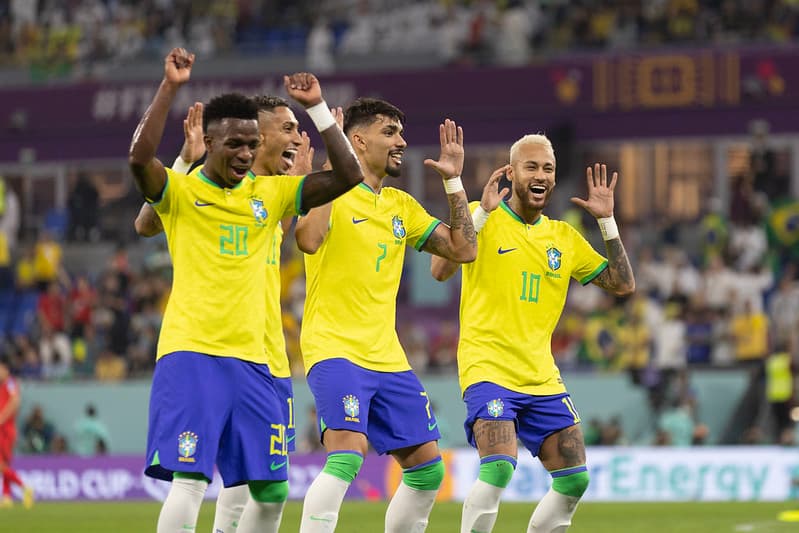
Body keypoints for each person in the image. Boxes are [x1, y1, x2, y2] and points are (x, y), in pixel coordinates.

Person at [128, 47, 363, 533]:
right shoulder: (183, 191)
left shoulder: (270, 195)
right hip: (195, 352)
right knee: (191, 480)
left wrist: (319, 111)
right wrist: (171, 87)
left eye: (251, 144)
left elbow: (348, 176)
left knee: (272, 490)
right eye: (235, 143)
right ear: (209, 143)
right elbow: (139, 162)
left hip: (260, 362)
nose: (245, 153)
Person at [431, 135, 635, 533]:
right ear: (511, 173)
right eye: (531, 167)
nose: (540, 175)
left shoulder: (564, 238)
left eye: (548, 169)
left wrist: (607, 223)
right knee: (499, 468)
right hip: (487, 368)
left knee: (575, 478)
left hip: (541, 374)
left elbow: (622, 285)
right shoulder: (481, 215)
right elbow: (440, 270)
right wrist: (483, 215)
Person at [294, 97, 477, 532]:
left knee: (428, 470)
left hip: (388, 357)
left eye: (400, 132)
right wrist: (327, 174)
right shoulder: (331, 192)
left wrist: (454, 183)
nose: (402, 141)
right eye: (389, 132)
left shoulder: (401, 205)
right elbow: (308, 239)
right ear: (357, 140)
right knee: (346, 454)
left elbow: (463, 250)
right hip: (335, 347)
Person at [0, 356, 34, 508]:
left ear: (6, 369)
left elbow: (15, 402)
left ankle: (25, 487)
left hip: (6, 429)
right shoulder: (2, 386)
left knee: (2, 464)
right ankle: (7, 496)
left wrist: (1, 419)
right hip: (3, 428)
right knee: (4, 463)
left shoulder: (11, 383)